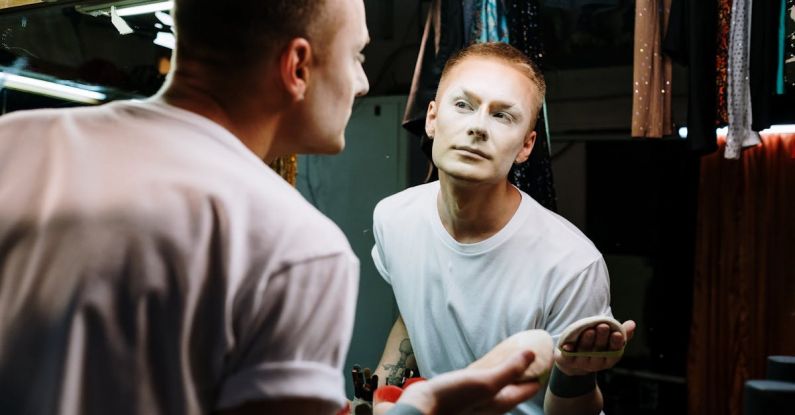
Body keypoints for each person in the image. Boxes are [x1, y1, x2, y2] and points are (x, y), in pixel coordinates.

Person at [0, 1, 543, 414]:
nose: (363, 83)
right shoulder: (295, 247)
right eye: (356, 57)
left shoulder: (14, 144)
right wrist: (418, 408)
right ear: (298, 66)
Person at [371, 42, 637, 415]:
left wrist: (572, 374)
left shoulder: (572, 264)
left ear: (526, 145)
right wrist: (377, 399)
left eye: (502, 116)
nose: (478, 127)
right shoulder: (394, 218)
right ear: (431, 118)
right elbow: (412, 318)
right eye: (463, 105)